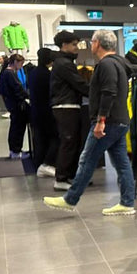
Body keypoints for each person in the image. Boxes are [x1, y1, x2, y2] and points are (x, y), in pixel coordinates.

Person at [43, 29, 136, 216]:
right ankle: (127, 203)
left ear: (98, 44)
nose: (88, 45)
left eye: (91, 42)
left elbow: (108, 92)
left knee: (87, 159)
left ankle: (70, 199)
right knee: (121, 163)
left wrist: (101, 120)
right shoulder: (119, 63)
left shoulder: (106, 65)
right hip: (119, 120)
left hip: (108, 122)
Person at [50, 31, 91, 190]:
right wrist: (97, 92)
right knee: (68, 142)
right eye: (74, 45)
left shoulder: (63, 62)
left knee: (71, 142)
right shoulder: (64, 64)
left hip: (67, 105)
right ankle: (61, 179)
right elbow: (79, 84)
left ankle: (67, 177)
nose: (77, 48)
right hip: (66, 106)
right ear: (64, 45)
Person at [28, 48, 59, 177]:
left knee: (40, 139)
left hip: (35, 111)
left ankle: (39, 164)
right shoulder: (46, 74)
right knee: (55, 138)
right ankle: (46, 164)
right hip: (45, 112)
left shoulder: (33, 72)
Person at [0, 54, 30, 158]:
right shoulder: (10, 73)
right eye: (21, 63)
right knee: (18, 128)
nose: (21, 66)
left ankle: (15, 150)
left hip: (11, 104)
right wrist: (28, 96)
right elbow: (18, 88)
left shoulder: (5, 72)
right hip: (17, 104)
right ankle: (16, 151)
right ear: (15, 62)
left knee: (15, 127)